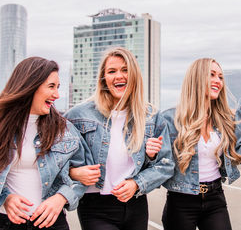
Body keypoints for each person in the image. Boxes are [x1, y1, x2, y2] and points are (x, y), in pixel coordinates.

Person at [64, 47, 174, 230]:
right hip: (95, 207)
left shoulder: (151, 116)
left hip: (136, 204)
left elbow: (166, 164)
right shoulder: (78, 115)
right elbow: (57, 161)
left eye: (125, 70)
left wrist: (137, 183)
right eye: (112, 71)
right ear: (103, 78)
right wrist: (74, 173)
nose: (119, 76)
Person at [146, 58, 241, 230]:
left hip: (215, 198)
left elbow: (237, 149)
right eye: (211, 75)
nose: (218, 81)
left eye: (220, 77)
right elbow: (156, 163)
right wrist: (151, 154)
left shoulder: (225, 120)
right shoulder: (169, 119)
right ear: (196, 79)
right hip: (181, 201)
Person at [0, 57, 89, 230]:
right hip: (6, 222)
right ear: (30, 85)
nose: (56, 95)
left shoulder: (64, 129)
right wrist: (6, 198)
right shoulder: (3, 126)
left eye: (58, 87)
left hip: (52, 223)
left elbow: (86, 176)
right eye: (51, 87)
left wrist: (61, 197)